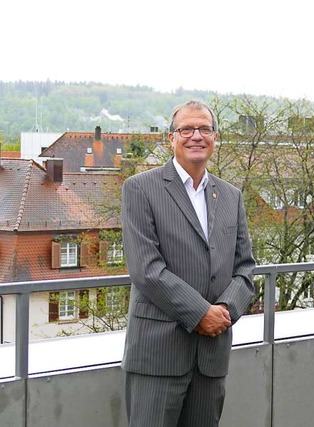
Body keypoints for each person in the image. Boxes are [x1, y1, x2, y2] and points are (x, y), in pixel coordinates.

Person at [121, 100, 256, 427]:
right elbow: (147, 270)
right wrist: (200, 314)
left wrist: (223, 311)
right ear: (171, 138)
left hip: (211, 356)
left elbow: (246, 269)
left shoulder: (230, 196)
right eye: (186, 129)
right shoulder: (141, 189)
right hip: (158, 355)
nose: (196, 136)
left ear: (215, 137)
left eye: (204, 129)